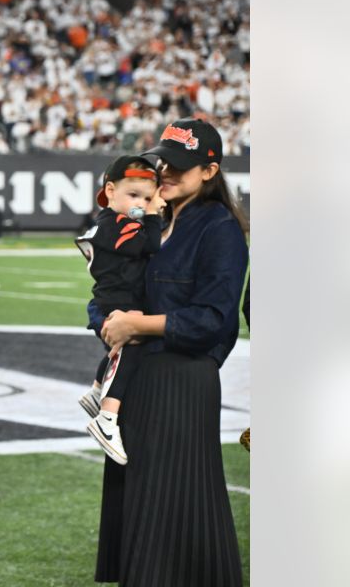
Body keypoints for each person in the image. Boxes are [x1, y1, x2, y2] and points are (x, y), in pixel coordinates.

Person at [92, 118, 248, 586]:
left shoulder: (219, 227)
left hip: (183, 383)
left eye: (181, 165)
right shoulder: (152, 221)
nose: (167, 171)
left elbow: (214, 320)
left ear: (210, 170)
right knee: (143, 514)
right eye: (165, 161)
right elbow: (113, 292)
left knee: (174, 516)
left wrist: (137, 324)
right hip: (140, 382)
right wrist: (106, 323)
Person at [74, 155, 166, 464]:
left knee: (118, 352)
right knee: (131, 346)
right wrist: (154, 215)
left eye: (147, 197)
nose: (141, 203)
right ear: (110, 191)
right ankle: (106, 417)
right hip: (118, 300)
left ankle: (97, 389)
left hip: (118, 295)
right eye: (134, 195)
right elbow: (150, 244)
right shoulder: (114, 225)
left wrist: (148, 210)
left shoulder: (117, 219)